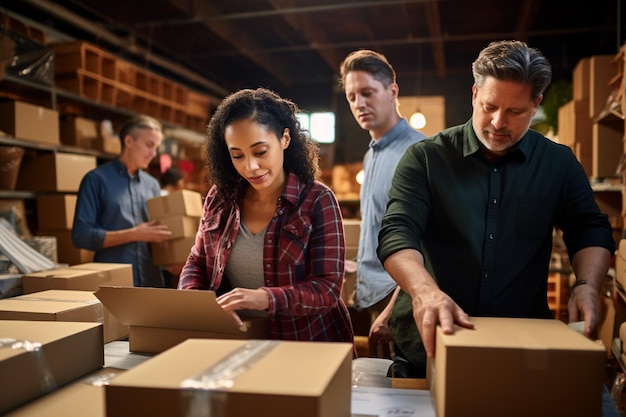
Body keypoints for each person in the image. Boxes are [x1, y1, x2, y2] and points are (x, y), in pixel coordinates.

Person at [377, 40, 615, 377]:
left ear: (536, 105)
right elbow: (397, 233)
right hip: (429, 342)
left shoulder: (557, 163)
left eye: (515, 112)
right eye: (489, 106)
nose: (498, 122)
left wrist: (586, 285)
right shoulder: (426, 158)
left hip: (520, 343)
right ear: (474, 94)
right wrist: (424, 291)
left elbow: (589, 228)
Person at [178, 87, 354, 344]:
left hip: (304, 344)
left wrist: (265, 298)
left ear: (284, 139)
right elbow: (198, 261)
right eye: (237, 155)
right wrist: (194, 299)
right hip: (236, 342)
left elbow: (327, 289)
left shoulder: (317, 199)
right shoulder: (221, 197)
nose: (250, 167)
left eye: (260, 151)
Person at [339, 49, 426, 356]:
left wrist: (393, 310)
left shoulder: (418, 152)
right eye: (351, 97)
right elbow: (378, 225)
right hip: (370, 296)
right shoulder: (371, 153)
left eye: (367, 93)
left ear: (392, 91)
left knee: (401, 398)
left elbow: (426, 242)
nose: (359, 104)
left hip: (398, 301)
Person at [72, 115, 171, 287]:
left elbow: (156, 233)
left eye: (156, 148)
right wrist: (133, 234)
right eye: (149, 145)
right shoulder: (96, 180)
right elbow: (81, 236)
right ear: (128, 141)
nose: (153, 154)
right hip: (113, 285)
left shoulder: (152, 185)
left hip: (151, 282)